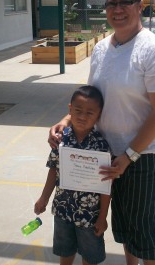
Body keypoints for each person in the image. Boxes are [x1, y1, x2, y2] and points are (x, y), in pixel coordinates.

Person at [48, 0, 155, 265]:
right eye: (112, 2)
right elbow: (92, 97)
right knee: (123, 217)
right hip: (109, 151)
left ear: (140, 5)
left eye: (125, 1)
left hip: (146, 153)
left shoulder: (154, 50)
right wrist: (66, 119)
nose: (118, 8)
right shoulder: (101, 49)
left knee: (142, 221)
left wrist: (129, 155)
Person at [35, 85, 112, 265]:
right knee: (65, 250)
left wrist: (102, 217)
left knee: (89, 254)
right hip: (63, 209)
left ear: (99, 115)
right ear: (70, 109)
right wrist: (43, 199)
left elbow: (106, 184)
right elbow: (53, 171)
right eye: (78, 111)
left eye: (90, 113)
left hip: (90, 215)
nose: (83, 117)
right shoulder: (61, 140)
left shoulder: (101, 146)